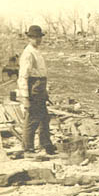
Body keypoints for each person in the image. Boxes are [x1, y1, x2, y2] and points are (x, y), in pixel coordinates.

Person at [18, 25, 56, 156]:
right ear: (29, 38)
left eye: (39, 37)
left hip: (40, 88)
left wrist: (45, 91)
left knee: (44, 119)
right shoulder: (28, 53)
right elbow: (23, 77)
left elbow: (41, 73)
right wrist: (25, 97)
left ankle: (46, 145)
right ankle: (27, 148)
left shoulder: (36, 51)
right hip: (33, 88)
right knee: (32, 119)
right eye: (34, 37)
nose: (38, 40)